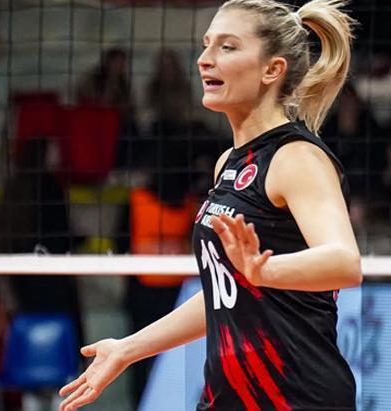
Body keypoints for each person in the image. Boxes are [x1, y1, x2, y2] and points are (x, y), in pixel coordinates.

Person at [58, 0, 361, 410]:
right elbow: (225, 295)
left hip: (295, 396)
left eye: (227, 47)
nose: (204, 59)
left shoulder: (295, 157)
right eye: (206, 44)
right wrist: (128, 349)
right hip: (227, 396)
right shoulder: (228, 163)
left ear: (272, 69)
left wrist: (265, 272)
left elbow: (345, 263)